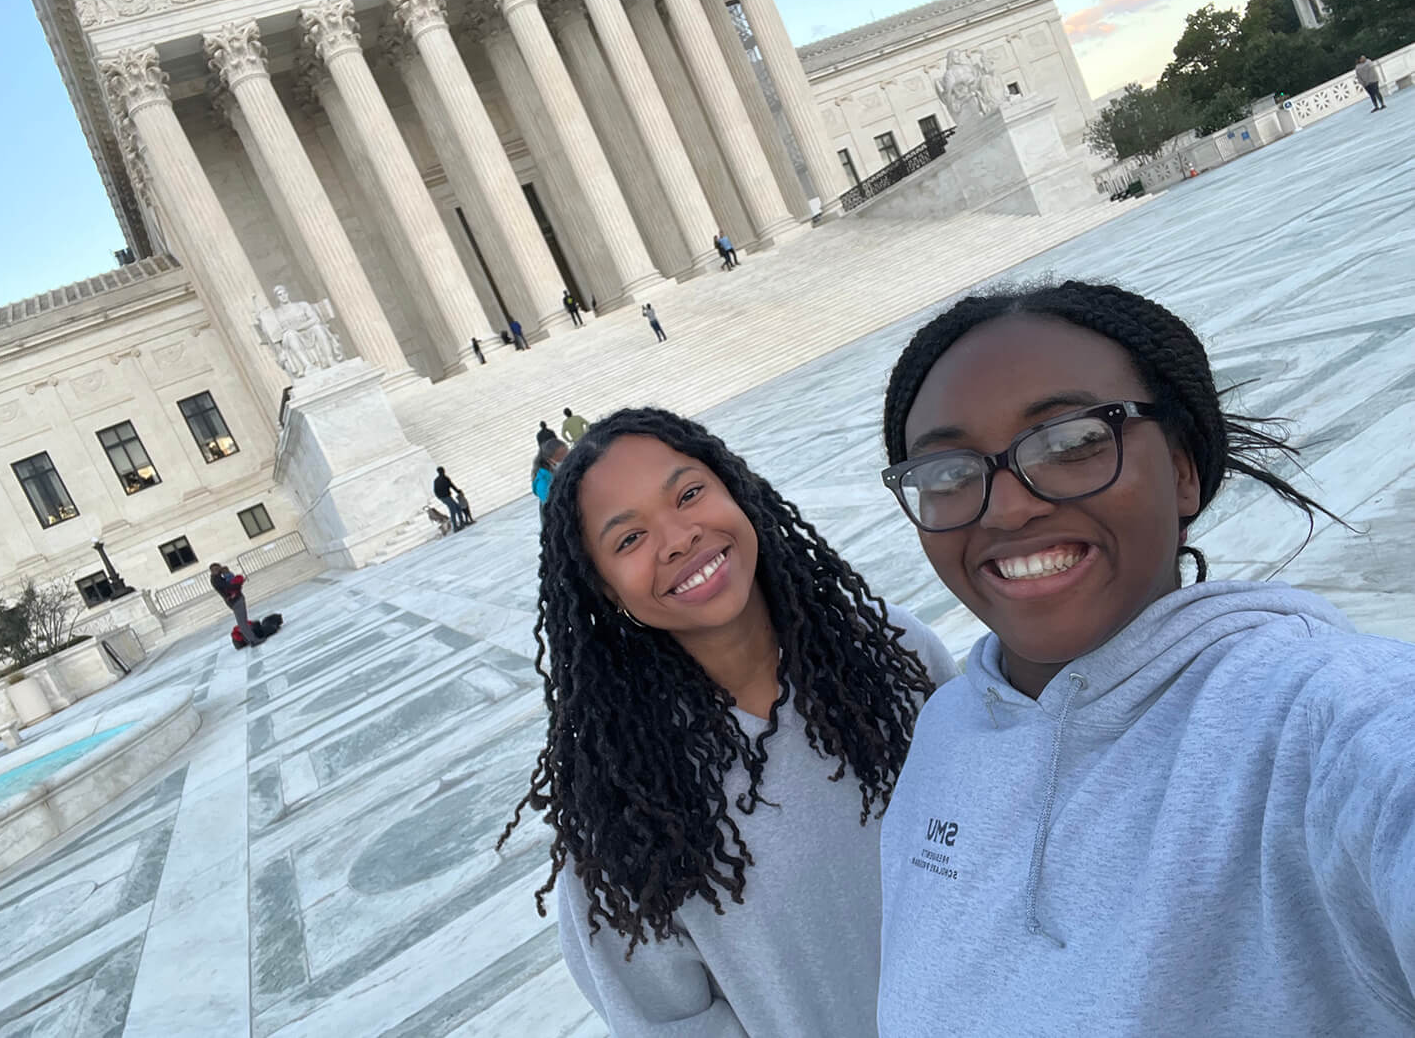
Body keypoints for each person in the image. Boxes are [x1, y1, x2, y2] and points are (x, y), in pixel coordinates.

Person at [875, 281, 1415, 1035]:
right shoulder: (946, 729)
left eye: (1071, 442)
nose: (1006, 506)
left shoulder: (1321, 719)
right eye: (947, 474)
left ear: (1184, 469)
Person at [497, 407, 958, 1036]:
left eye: (689, 494)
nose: (679, 538)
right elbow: (665, 1020)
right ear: (604, 589)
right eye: (628, 539)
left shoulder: (891, 659)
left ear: (734, 490)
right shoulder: (621, 802)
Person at [210, 561, 263, 647]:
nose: (218, 570)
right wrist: (239, 583)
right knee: (242, 623)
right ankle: (253, 640)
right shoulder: (216, 579)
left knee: (243, 622)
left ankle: (251, 639)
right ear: (212, 570)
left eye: (218, 568)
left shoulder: (217, 578)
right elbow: (229, 587)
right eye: (216, 569)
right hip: (235, 601)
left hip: (235, 600)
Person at [531, 438, 568, 506]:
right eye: (560, 456)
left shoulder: (565, 471)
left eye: (567, 454)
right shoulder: (542, 483)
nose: (566, 459)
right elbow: (552, 507)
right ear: (549, 460)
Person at [432, 466, 469, 531]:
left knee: (457, 508)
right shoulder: (444, 479)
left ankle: (461, 522)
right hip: (446, 497)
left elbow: (435, 491)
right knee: (453, 510)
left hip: (445, 497)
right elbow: (451, 485)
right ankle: (455, 526)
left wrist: (440, 497)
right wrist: (457, 491)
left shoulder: (436, 480)